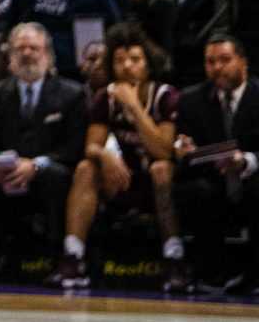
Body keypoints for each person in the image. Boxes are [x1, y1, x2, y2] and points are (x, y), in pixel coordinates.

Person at [59, 25, 185, 293]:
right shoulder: (106, 97)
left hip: (160, 181)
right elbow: (91, 146)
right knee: (85, 168)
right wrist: (105, 155)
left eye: (135, 60)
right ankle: (73, 255)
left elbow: (163, 150)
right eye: (119, 60)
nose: (127, 66)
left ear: (148, 64)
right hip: (122, 177)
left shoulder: (165, 96)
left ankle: (175, 258)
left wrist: (135, 108)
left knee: (161, 169)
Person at [0, 22, 87, 281]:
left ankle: (58, 258)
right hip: (6, 174)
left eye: (34, 48)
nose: (27, 53)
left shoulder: (71, 94)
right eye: (20, 48)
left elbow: (73, 149)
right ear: (10, 57)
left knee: (56, 176)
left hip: (47, 171)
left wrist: (36, 165)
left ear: (48, 55)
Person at [172, 36, 259, 295]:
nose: (217, 68)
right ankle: (212, 274)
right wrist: (183, 150)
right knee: (193, 188)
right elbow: (184, 151)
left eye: (225, 60)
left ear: (243, 63)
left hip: (252, 179)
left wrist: (244, 161)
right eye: (210, 62)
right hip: (213, 180)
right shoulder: (191, 99)